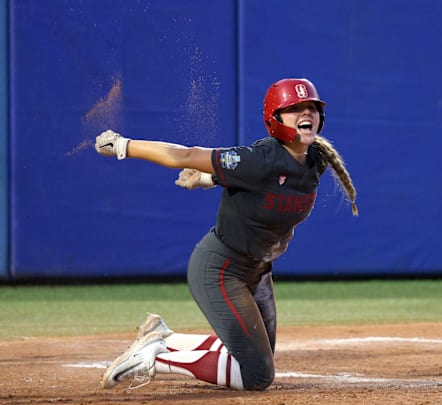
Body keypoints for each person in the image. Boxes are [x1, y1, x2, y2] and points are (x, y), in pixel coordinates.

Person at [95, 78, 358, 391]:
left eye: (312, 107)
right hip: (221, 270)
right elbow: (186, 155)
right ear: (275, 118)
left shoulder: (315, 161)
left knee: (256, 356)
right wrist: (125, 146)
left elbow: (266, 186)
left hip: (257, 272)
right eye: (296, 108)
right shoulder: (261, 157)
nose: (308, 112)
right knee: (256, 375)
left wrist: (210, 180)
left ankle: (166, 338)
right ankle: (155, 356)